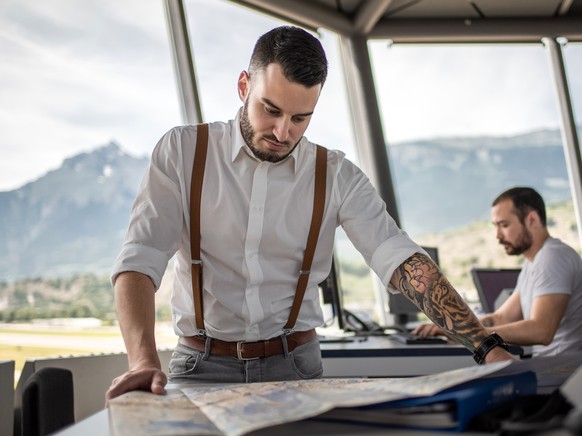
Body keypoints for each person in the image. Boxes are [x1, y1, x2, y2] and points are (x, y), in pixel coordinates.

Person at [105, 26, 514, 402]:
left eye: (300, 118)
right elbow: (140, 260)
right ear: (244, 86)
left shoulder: (336, 175)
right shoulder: (183, 152)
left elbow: (401, 259)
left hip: (296, 366)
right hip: (199, 366)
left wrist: (486, 347)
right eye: (271, 110)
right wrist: (142, 360)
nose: (283, 132)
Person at [414, 187, 582, 357]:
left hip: (562, 373)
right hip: (548, 367)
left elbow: (541, 330)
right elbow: (501, 317)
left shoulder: (553, 257)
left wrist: (469, 335)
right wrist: (456, 327)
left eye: (504, 225)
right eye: (496, 226)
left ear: (532, 219)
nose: (498, 235)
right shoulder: (533, 263)